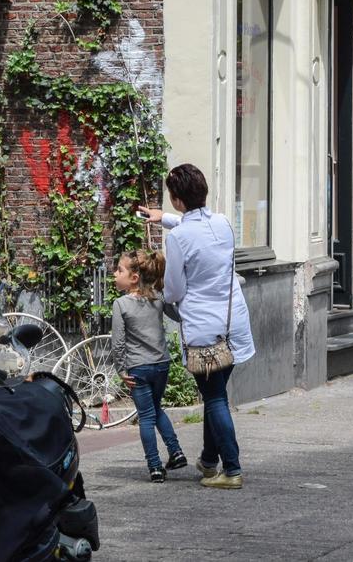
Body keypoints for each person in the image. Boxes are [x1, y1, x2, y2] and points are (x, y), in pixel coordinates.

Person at [139, 164, 254, 490]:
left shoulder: (177, 240)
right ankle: (208, 459)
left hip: (204, 330)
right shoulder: (224, 223)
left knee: (215, 398)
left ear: (177, 199)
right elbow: (198, 229)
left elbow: (174, 290)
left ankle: (231, 470)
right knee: (214, 393)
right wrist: (164, 218)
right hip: (234, 324)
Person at [112, 249, 186, 483]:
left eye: (119, 270)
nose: (114, 274)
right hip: (161, 364)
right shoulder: (157, 298)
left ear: (134, 277)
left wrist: (121, 370)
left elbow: (118, 342)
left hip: (138, 367)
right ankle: (176, 451)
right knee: (156, 408)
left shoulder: (121, 304)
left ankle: (154, 466)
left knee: (146, 416)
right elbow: (177, 316)